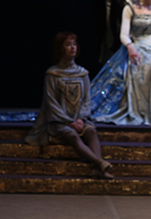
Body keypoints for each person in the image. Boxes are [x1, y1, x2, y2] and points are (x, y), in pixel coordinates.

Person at [26, 32, 113, 179]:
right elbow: (51, 102)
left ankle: (99, 168)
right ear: (60, 49)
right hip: (60, 121)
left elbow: (86, 100)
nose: (72, 48)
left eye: (74, 44)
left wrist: (80, 119)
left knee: (91, 132)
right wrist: (68, 121)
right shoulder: (53, 74)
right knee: (72, 136)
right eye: (68, 44)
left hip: (79, 119)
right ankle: (99, 163)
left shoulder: (82, 73)